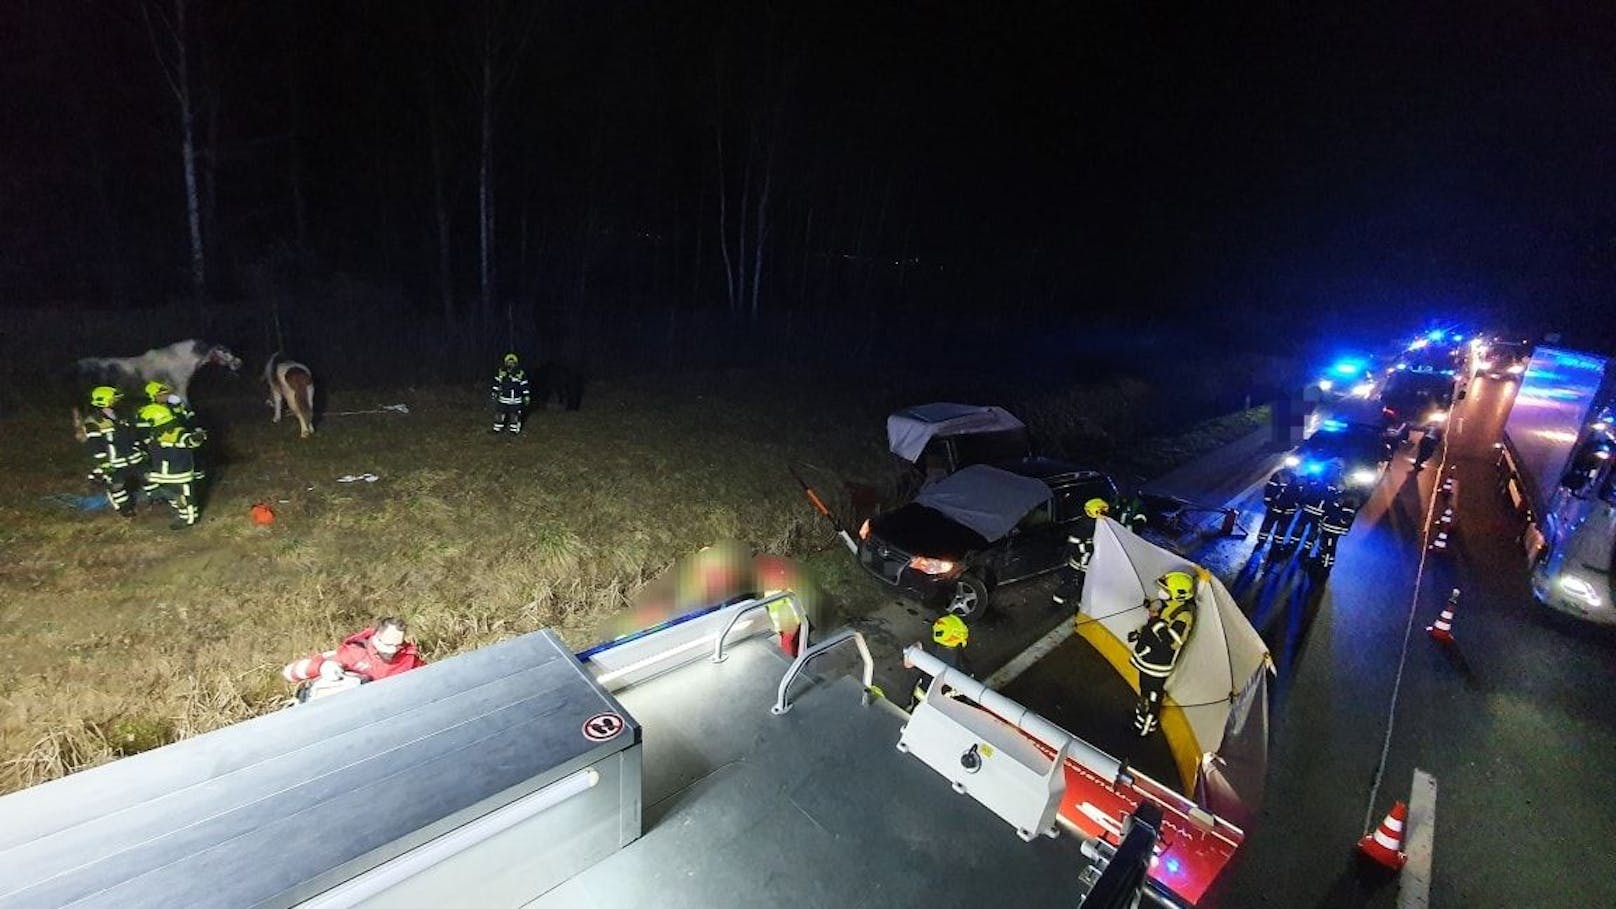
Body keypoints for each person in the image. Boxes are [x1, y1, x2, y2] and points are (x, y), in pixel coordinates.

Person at [282, 617, 426, 697]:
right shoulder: (354, 652)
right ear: (376, 637)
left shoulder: (410, 659)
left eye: (397, 645)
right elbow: (289, 672)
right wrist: (322, 667)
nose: (392, 650)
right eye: (388, 644)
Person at [1130, 571, 1197, 737]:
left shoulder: (1184, 615)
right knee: (1145, 690)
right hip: (1148, 659)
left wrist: (1155, 621)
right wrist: (1140, 633)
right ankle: (1141, 717)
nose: (1162, 592)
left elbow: (1172, 641)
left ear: (1178, 594)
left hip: (1157, 664)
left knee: (1153, 694)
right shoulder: (1169, 606)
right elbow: (1154, 629)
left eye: (1166, 590)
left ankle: (1146, 726)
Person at [140, 404, 208, 529]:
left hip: (179, 474)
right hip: (166, 474)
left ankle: (189, 519)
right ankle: (182, 515)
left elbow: (188, 441)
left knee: (186, 497)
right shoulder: (157, 432)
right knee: (175, 496)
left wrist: (197, 438)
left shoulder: (174, 431)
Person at [81, 386, 143, 517]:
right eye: (114, 400)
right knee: (117, 485)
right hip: (113, 462)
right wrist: (104, 463)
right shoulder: (94, 422)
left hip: (132, 458)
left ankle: (156, 501)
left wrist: (138, 449)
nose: (117, 402)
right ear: (104, 402)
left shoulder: (122, 416)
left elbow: (133, 435)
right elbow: (95, 445)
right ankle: (125, 508)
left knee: (145, 478)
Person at [1053, 497, 1111, 607]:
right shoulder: (1085, 527)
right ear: (1095, 512)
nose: (1106, 514)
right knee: (1075, 583)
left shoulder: (1096, 524)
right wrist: (1087, 548)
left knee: (1080, 584)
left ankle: (1073, 602)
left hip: (1087, 563)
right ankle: (1060, 601)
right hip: (1080, 563)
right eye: (1103, 511)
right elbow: (1072, 546)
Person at [907, 614, 969, 709]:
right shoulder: (965, 666)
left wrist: (915, 647)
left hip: (919, 704)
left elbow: (907, 663)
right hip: (943, 712)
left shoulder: (927, 650)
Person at [1313, 490, 1360, 570]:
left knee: (1329, 547)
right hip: (1330, 528)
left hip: (1332, 529)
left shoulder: (1345, 508)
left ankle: (1324, 565)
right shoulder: (1347, 507)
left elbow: (1338, 517)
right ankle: (1321, 560)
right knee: (1325, 545)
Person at [1286, 473, 1331, 550]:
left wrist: (1300, 503)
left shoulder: (1315, 480)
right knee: (1312, 531)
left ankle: (1293, 545)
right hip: (1319, 513)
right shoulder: (1334, 483)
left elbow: (1306, 491)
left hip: (1308, 509)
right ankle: (1305, 549)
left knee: (1301, 528)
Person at [1255, 468, 1298, 548]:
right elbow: (1269, 488)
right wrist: (1269, 501)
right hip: (1276, 508)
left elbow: (1297, 495)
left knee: (1280, 530)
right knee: (1268, 527)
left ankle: (1275, 545)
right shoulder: (1277, 476)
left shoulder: (1294, 479)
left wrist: (1293, 506)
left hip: (1285, 511)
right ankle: (1262, 543)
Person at [490, 353, 531, 434]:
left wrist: (526, 395)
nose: (510, 364)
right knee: (500, 413)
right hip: (503, 399)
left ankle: (513, 430)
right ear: (505, 363)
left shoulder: (520, 373)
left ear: (516, 363)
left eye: (512, 362)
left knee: (514, 415)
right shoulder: (501, 372)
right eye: (509, 362)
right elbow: (497, 382)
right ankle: (497, 429)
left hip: (516, 400)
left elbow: (524, 385)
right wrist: (494, 392)